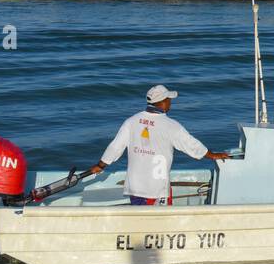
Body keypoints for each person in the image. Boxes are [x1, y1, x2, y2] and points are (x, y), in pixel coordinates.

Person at [86, 85, 229, 205]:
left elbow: (115, 147)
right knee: (159, 223)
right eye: (169, 99)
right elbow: (191, 145)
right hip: (156, 188)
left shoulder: (131, 121)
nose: (170, 103)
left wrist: (100, 165)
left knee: (141, 219)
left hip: (135, 186)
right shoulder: (171, 126)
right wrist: (212, 155)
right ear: (163, 102)